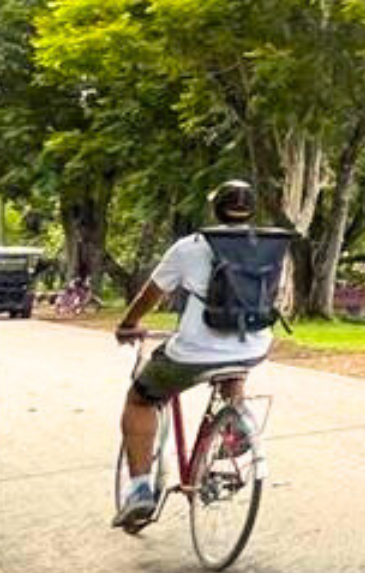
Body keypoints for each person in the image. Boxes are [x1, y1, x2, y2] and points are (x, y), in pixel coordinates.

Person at [112, 180, 278, 529]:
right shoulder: (270, 245)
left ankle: (140, 490)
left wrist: (129, 322)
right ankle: (235, 423)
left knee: (140, 399)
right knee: (234, 365)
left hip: (195, 351)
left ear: (215, 209)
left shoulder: (190, 247)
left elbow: (151, 294)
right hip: (254, 344)